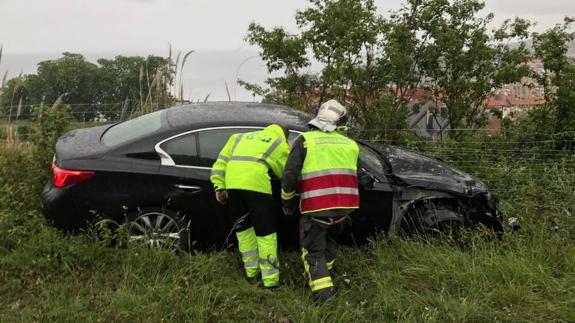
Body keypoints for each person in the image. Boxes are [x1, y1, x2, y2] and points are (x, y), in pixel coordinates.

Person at [281, 100, 360, 303]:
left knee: (313, 252)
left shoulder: (305, 140)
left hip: (316, 209)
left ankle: (324, 297)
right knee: (330, 244)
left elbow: (290, 175)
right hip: (344, 209)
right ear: (339, 121)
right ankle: (325, 273)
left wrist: (287, 201)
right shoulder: (350, 144)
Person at [210, 124, 290, 288]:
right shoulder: (277, 142)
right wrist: (287, 149)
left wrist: (219, 186)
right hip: (257, 186)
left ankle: (251, 274)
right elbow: (285, 172)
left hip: (233, 185)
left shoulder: (239, 137)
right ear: (285, 136)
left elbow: (220, 163)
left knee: (244, 230)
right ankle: (271, 281)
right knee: (265, 233)